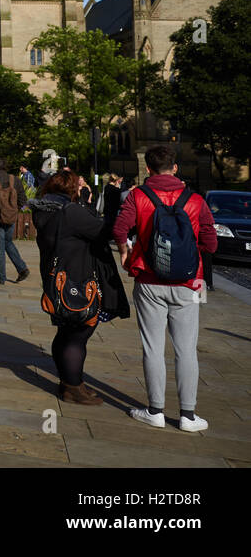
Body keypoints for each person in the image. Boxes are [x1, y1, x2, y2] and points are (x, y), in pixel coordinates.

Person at [113, 145, 219, 432]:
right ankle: (188, 415)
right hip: (189, 282)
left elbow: (119, 229)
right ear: (175, 168)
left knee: (153, 347)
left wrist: (125, 252)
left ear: (148, 169)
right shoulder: (195, 200)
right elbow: (210, 243)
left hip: (149, 280)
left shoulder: (137, 196)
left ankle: (155, 410)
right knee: (187, 350)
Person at [29, 169, 130, 404]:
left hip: (57, 279)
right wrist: (112, 200)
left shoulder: (45, 210)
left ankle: (70, 381)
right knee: (79, 334)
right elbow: (105, 231)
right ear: (71, 189)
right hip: (78, 279)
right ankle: (72, 388)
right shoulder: (70, 212)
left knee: (65, 333)